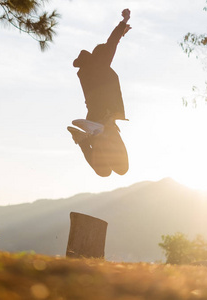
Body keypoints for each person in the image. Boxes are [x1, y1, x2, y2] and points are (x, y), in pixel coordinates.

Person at [68, 9, 131, 177]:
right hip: (106, 118)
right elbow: (112, 43)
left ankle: (88, 139)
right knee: (122, 169)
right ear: (100, 55)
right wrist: (124, 21)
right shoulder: (100, 65)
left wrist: (122, 33)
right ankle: (97, 135)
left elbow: (109, 46)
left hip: (93, 118)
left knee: (104, 172)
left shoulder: (84, 73)